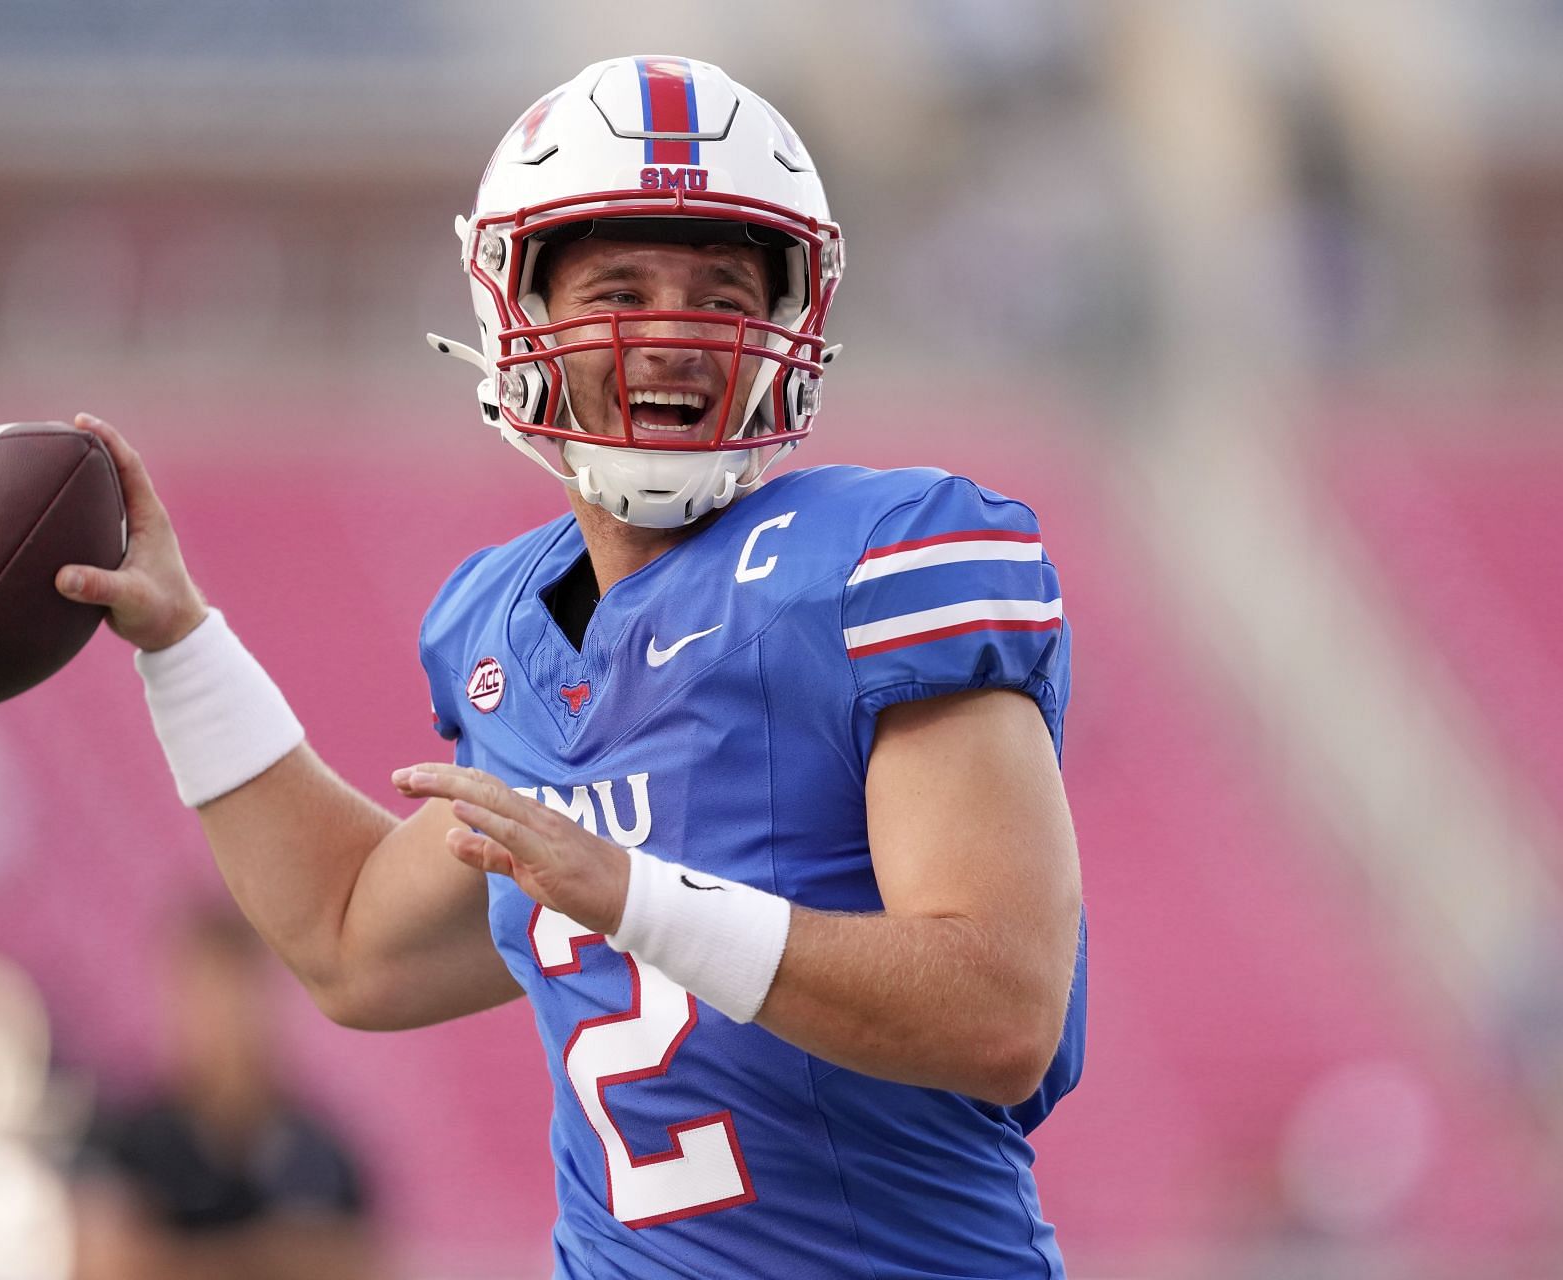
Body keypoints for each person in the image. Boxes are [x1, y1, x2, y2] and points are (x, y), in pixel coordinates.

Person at [56, 54, 1085, 1280]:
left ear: (785, 326)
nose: (671, 333)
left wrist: (631, 893)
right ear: (522, 317)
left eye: (717, 292)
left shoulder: (880, 559)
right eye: (620, 287)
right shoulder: (505, 627)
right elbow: (349, 942)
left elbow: (1002, 1007)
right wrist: (181, 644)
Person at [72, 902, 377, 1280]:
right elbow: (109, 1266)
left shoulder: (324, 1153)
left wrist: (179, 1257)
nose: (228, 1020)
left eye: (241, 995)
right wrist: (273, 1256)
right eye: (211, 995)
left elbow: (358, 1264)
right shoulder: (127, 1141)